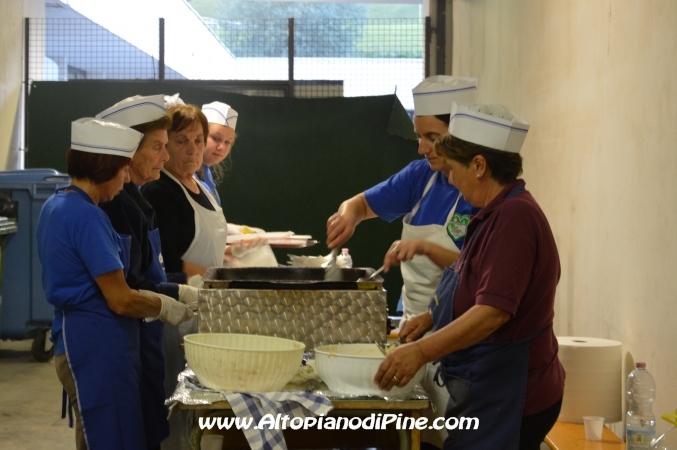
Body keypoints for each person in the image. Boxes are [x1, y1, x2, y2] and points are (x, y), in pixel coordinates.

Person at [374, 102, 565, 450]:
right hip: (487, 389)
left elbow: (494, 312)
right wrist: (433, 317)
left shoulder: (515, 219)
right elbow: (476, 282)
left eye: (453, 168)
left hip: (510, 395)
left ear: (479, 166)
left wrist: (419, 352)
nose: (449, 177)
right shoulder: (492, 214)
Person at [326, 76, 479, 449]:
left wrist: (425, 249)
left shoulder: (480, 193)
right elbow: (360, 203)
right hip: (414, 327)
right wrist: (348, 215)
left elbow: (475, 272)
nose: (421, 148)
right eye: (419, 136)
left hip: (460, 339)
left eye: (431, 137)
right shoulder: (422, 178)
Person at [36, 118, 194, 450]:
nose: (126, 180)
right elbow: (120, 298)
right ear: (105, 166)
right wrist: (166, 306)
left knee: (95, 437)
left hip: (77, 339)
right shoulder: (88, 217)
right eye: (123, 170)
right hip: (96, 346)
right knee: (114, 439)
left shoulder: (57, 204)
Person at [96, 95, 200, 450]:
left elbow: (146, 273)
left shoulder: (136, 200)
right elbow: (129, 284)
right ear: (128, 149)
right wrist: (175, 296)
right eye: (158, 146)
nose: (167, 155)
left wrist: (183, 288)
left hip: (143, 337)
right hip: (118, 338)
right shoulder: (114, 205)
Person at [142, 103, 266, 277]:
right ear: (164, 145)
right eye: (181, 141)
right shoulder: (159, 191)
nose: (193, 150)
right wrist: (221, 276)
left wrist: (231, 253)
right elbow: (169, 263)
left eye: (198, 140)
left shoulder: (199, 185)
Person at [196, 101, 238, 206]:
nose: (221, 147)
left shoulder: (206, 172)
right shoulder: (186, 174)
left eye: (227, 142)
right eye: (215, 138)